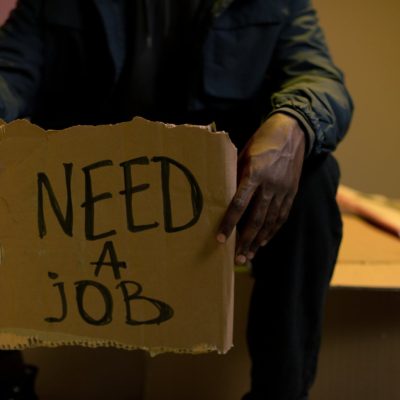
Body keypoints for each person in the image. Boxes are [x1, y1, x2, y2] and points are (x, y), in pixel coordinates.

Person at [0, 0, 353, 399]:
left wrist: (296, 123)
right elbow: (10, 71)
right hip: (83, 191)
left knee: (315, 174)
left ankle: (281, 393)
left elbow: (319, 77)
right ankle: (9, 382)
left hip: (220, 195)